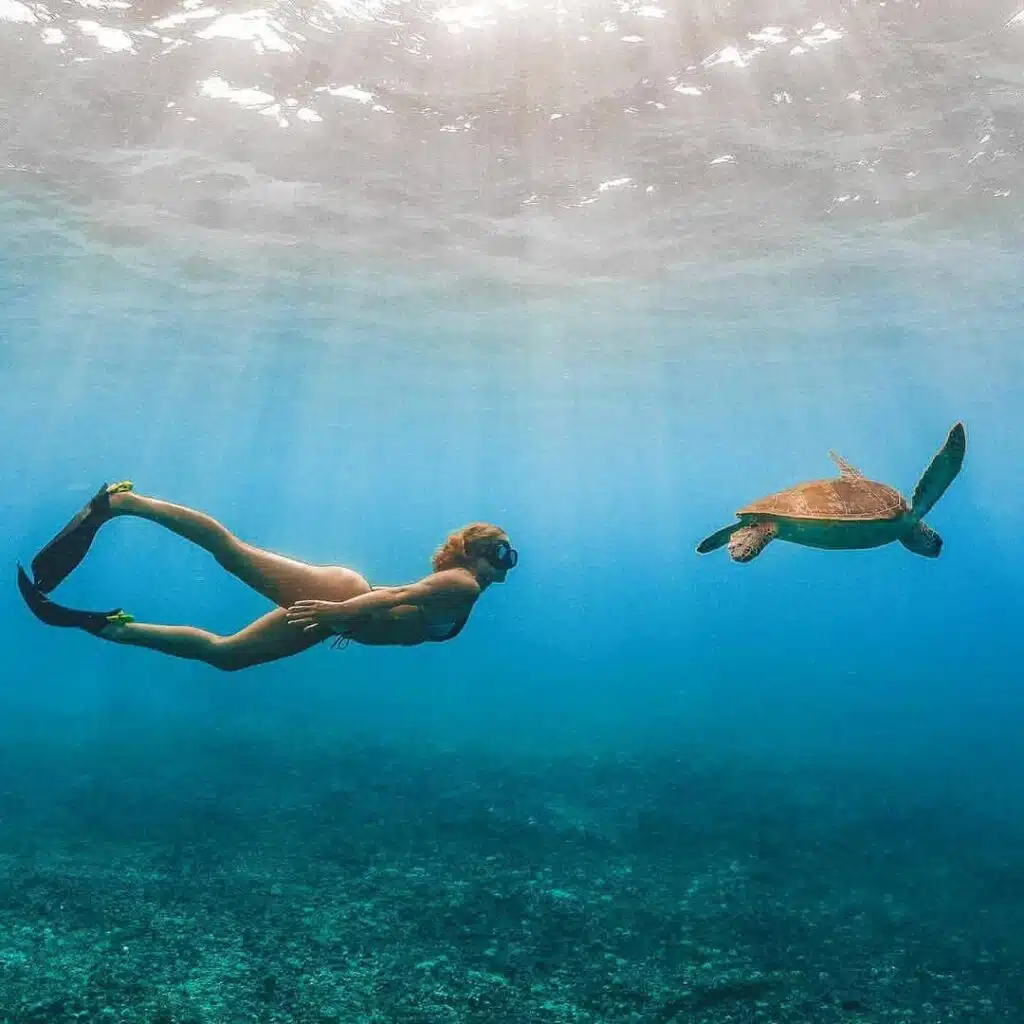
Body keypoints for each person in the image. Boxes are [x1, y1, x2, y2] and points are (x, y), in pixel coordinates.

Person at [16, 482, 517, 671]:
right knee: (232, 553)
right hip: (340, 604)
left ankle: (107, 625)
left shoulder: (460, 589)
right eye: (500, 551)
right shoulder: (462, 584)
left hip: (342, 613)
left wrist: (347, 619)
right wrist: (342, 612)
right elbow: (405, 594)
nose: (505, 561)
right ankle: (123, 502)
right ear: (473, 554)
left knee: (227, 656)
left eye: (509, 554)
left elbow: (402, 601)